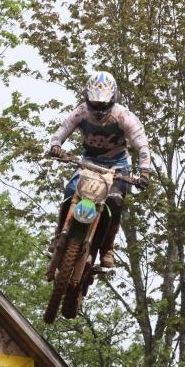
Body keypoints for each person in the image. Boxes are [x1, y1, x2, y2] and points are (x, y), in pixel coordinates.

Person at [49, 71, 152, 269]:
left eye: (102, 104)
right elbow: (62, 130)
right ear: (87, 97)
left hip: (117, 167)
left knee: (114, 201)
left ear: (113, 98)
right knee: (70, 191)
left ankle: (107, 248)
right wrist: (56, 145)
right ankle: (58, 235)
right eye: (94, 103)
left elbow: (142, 144)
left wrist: (144, 172)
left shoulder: (123, 116)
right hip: (88, 162)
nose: (98, 109)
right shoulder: (81, 112)